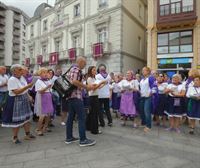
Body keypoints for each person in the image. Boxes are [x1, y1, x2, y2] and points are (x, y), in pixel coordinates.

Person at [65, 56, 96, 147]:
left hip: (71, 96)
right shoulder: (76, 69)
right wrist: (86, 87)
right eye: (84, 63)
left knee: (70, 117)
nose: (85, 65)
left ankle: (69, 138)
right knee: (82, 117)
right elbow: (74, 81)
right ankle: (83, 140)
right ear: (80, 62)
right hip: (76, 96)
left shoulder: (72, 69)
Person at [2, 64, 35, 144]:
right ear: (14, 71)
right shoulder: (12, 79)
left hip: (23, 98)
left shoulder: (22, 78)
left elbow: (24, 89)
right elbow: (16, 92)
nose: (22, 70)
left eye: (21, 69)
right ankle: (15, 137)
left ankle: (27, 134)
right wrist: (27, 87)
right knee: (17, 120)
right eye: (20, 69)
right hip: (16, 100)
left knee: (27, 118)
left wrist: (29, 96)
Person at [34, 68, 54, 136]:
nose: (45, 74)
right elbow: (40, 91)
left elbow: (50, 88)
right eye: (43, 73)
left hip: (48, 97)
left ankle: (45, 127)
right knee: (42, 115)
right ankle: (38, 129)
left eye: (46, 72)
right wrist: (47, 87)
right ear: (40, 74)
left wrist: (49, 82)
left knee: (48, 114)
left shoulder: (47, 80)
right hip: (42, 98)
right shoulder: (38, 81)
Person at [86, 66, 106, 134]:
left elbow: (98, 87)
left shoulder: (94, 78)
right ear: (90, 71)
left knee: (92, 113)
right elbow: (93, 88)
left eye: (95, 70)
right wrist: (101, 83)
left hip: (95, 96)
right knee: (94, 114)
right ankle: (94, 130)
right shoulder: (89, 79)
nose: (95, 71)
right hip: (92, 97)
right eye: (94, 70)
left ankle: (88, 127)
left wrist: (104, 84)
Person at [139, 67, 154, 132]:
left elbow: (154, 87)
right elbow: (141, 88)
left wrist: (150, 94)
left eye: (144, 70)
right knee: (141, 110)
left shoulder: (150, 78)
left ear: (148, 71)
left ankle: (148, 126)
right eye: (142, 70)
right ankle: (144, 123)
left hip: (148, 97)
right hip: (142, 97)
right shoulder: (142, 79)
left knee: (147, 111)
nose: (143, 71)